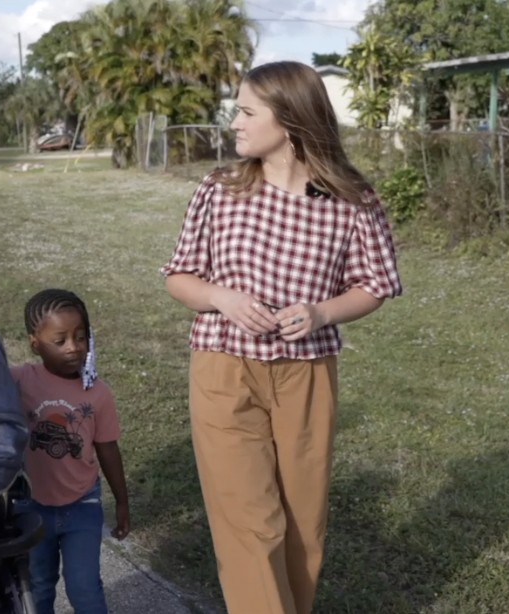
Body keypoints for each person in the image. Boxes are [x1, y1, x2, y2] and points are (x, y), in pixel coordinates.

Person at [160, 61, 404, 614]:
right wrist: (222, 297)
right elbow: (180, 275)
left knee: (302, 524)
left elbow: (374, 286)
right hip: (225, 368)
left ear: (290, 119)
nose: (234, 123)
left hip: (308, 375)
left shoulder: (353, 201)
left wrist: (321, 312)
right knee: (250, 523)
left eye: (247, 111)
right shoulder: (219, 190)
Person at [10, 289, 130, 614]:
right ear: (35, 343)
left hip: (83, 505)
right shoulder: (19, 380)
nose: (73, 347)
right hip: (31, 508)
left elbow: (107, 448)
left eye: (80, 336)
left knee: (85, 589)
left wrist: (121, 501)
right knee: (38, 588)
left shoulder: (98, 392)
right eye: (60, 340)